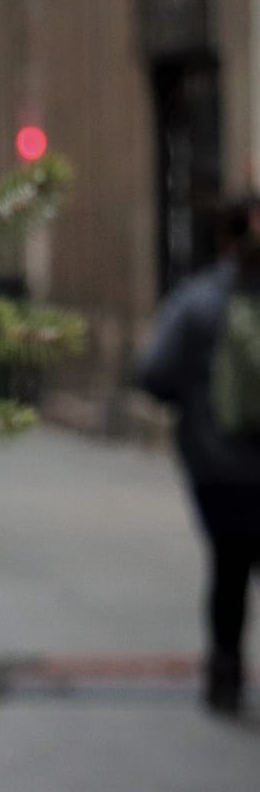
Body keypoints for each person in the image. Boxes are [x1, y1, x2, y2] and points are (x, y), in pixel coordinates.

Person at [137, 199, 260, 716]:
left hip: (218, 466)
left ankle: (225, 676)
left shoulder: (197, 299)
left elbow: (153, 374)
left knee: (229, 571)